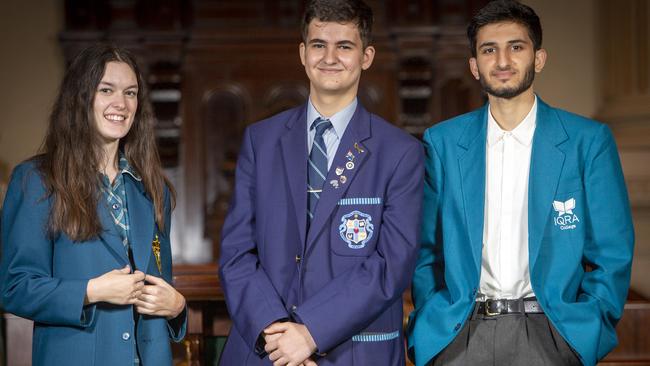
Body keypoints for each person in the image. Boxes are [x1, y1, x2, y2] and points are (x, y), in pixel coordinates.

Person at [407, 1, 635, 365]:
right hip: (461, 335)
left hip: (552, 334)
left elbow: (612, 252)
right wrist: (434, 315)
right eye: (488, 50)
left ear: (539, 58)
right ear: (474, 65)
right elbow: (426, 250)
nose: (502, 61)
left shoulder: (586, 141)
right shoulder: (443, 143)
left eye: (516, 47)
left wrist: (587, 326)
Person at [218, 0, 424, 365]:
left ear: (367, 56)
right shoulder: (260, 142)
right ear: (302, 53)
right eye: (318, 45)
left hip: (356, 351)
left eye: (344, 46)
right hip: (269, 351)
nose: (330, 57)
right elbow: (236, 253)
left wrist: (311, 332)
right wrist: (278, 335)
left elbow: (392, 264)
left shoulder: (400, 152)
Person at [0, 44, 187, 366]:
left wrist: (177, 307)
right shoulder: (36, 180)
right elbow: (15, 287)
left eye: (130, 93)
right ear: (80, 98)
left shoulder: (154, 189)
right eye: (106, 90)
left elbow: (161, 284)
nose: (121, 103)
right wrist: (91, 291)